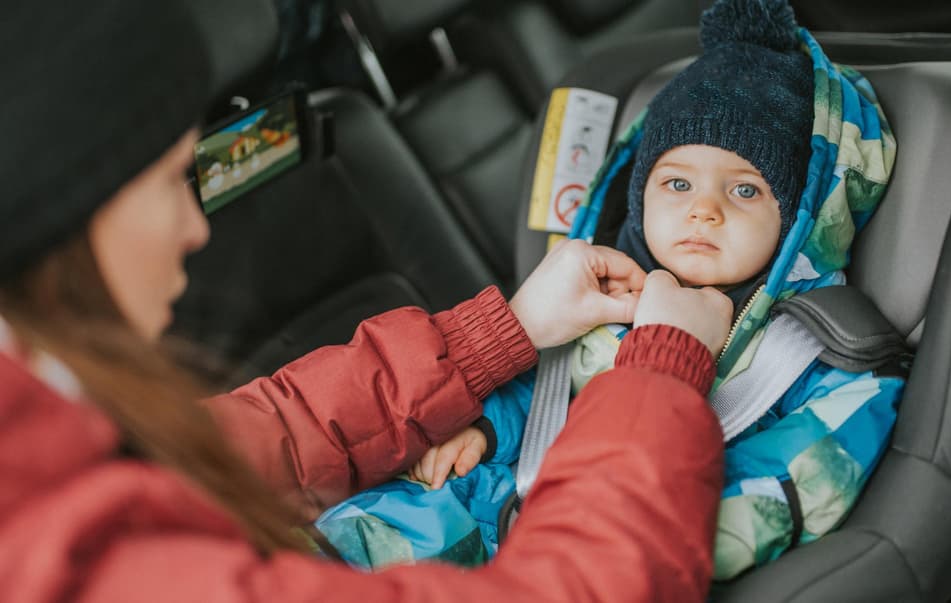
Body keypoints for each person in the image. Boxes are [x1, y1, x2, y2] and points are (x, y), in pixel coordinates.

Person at [0, 2, 732, 601]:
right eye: (170, 181)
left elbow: (261, 437)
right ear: (67, 222)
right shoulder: (87, 569)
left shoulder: (40, 443)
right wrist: (660, 373)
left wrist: (497, 334)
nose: (196, 228)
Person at [320, 0, 904, 583]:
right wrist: (487, 429)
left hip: (637, 538)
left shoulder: (819, 354)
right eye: (677, 183)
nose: (704, 210)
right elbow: (545, 383)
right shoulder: (603, 301)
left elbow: (794, 479)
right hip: (501, 506)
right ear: (639, 196)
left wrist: (670, 520)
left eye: (746, 191)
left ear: (802, 214)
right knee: (340, 549)